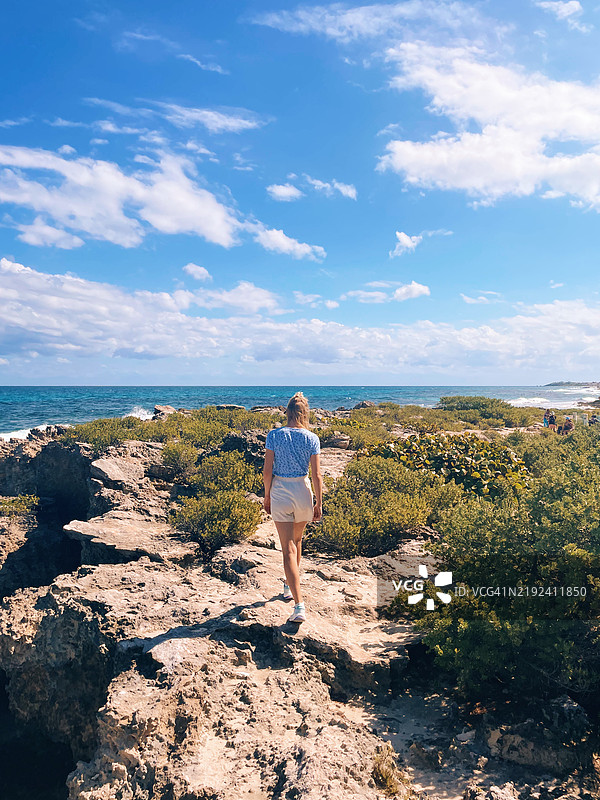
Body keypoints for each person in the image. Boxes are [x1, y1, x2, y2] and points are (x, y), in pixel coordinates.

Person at [263, 392, 323, 624]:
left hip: (280, 490)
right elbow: (317, 475)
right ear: (305, 413)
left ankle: (299, 605)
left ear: (286, 412)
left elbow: (267, 471)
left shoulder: (274, 435)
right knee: (297, 542)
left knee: (288, 547)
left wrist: (267, 496)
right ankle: (288, 586)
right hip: (302, 490)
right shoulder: (312, 438)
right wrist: (319, 502)